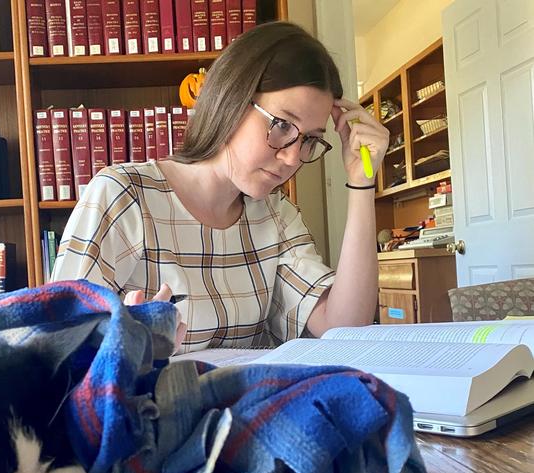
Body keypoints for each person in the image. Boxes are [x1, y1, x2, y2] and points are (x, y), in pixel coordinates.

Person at [51, 21, 389, 353]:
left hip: (247, 405)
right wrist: (129, 350)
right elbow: (58, 342)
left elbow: (344, 329)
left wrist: (361, 182)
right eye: (283, 125)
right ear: (232, 99)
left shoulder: (275, 214)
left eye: (309, 140)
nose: (292, 158)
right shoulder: (124, 195)